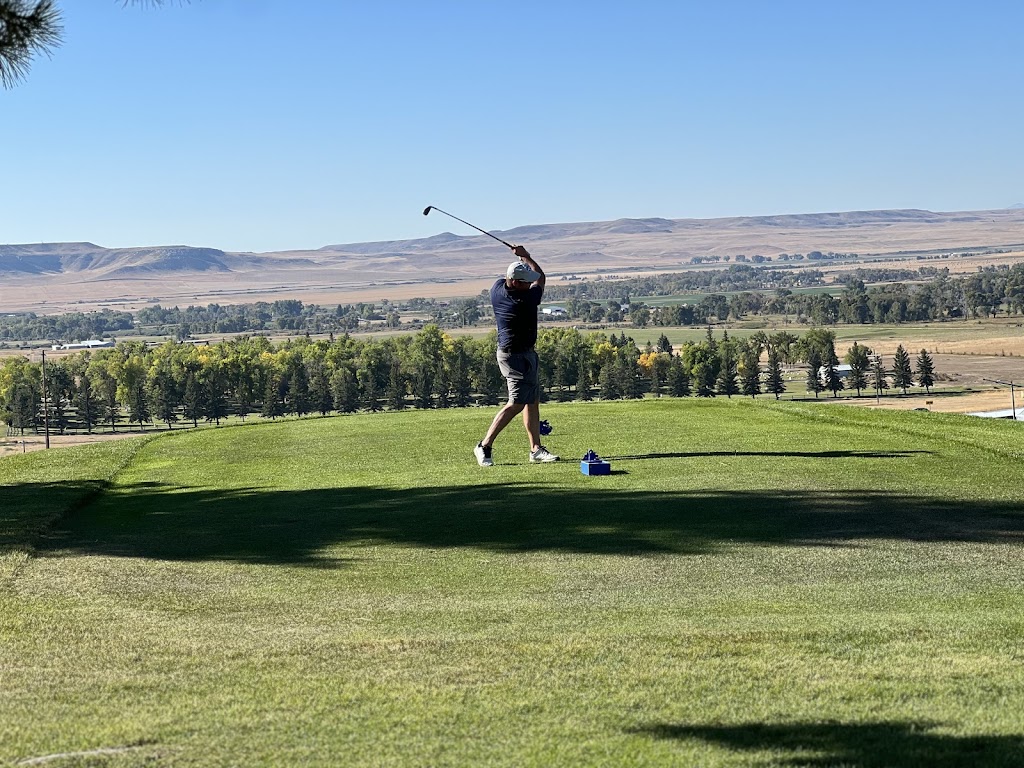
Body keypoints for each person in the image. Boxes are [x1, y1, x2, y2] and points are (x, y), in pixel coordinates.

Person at [474, 245, 559, 466]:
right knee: (517, 402)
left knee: (532, 401)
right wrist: (526, 256)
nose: (529, 284)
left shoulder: (497, 289)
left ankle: (536, 449)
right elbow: (541, 278)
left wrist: (520, 259)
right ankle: (484, 446)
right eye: (525, 282)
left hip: (525, 354)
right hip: (513, 357)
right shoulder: (524, 301)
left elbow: (533, 278)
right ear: (515, 282)